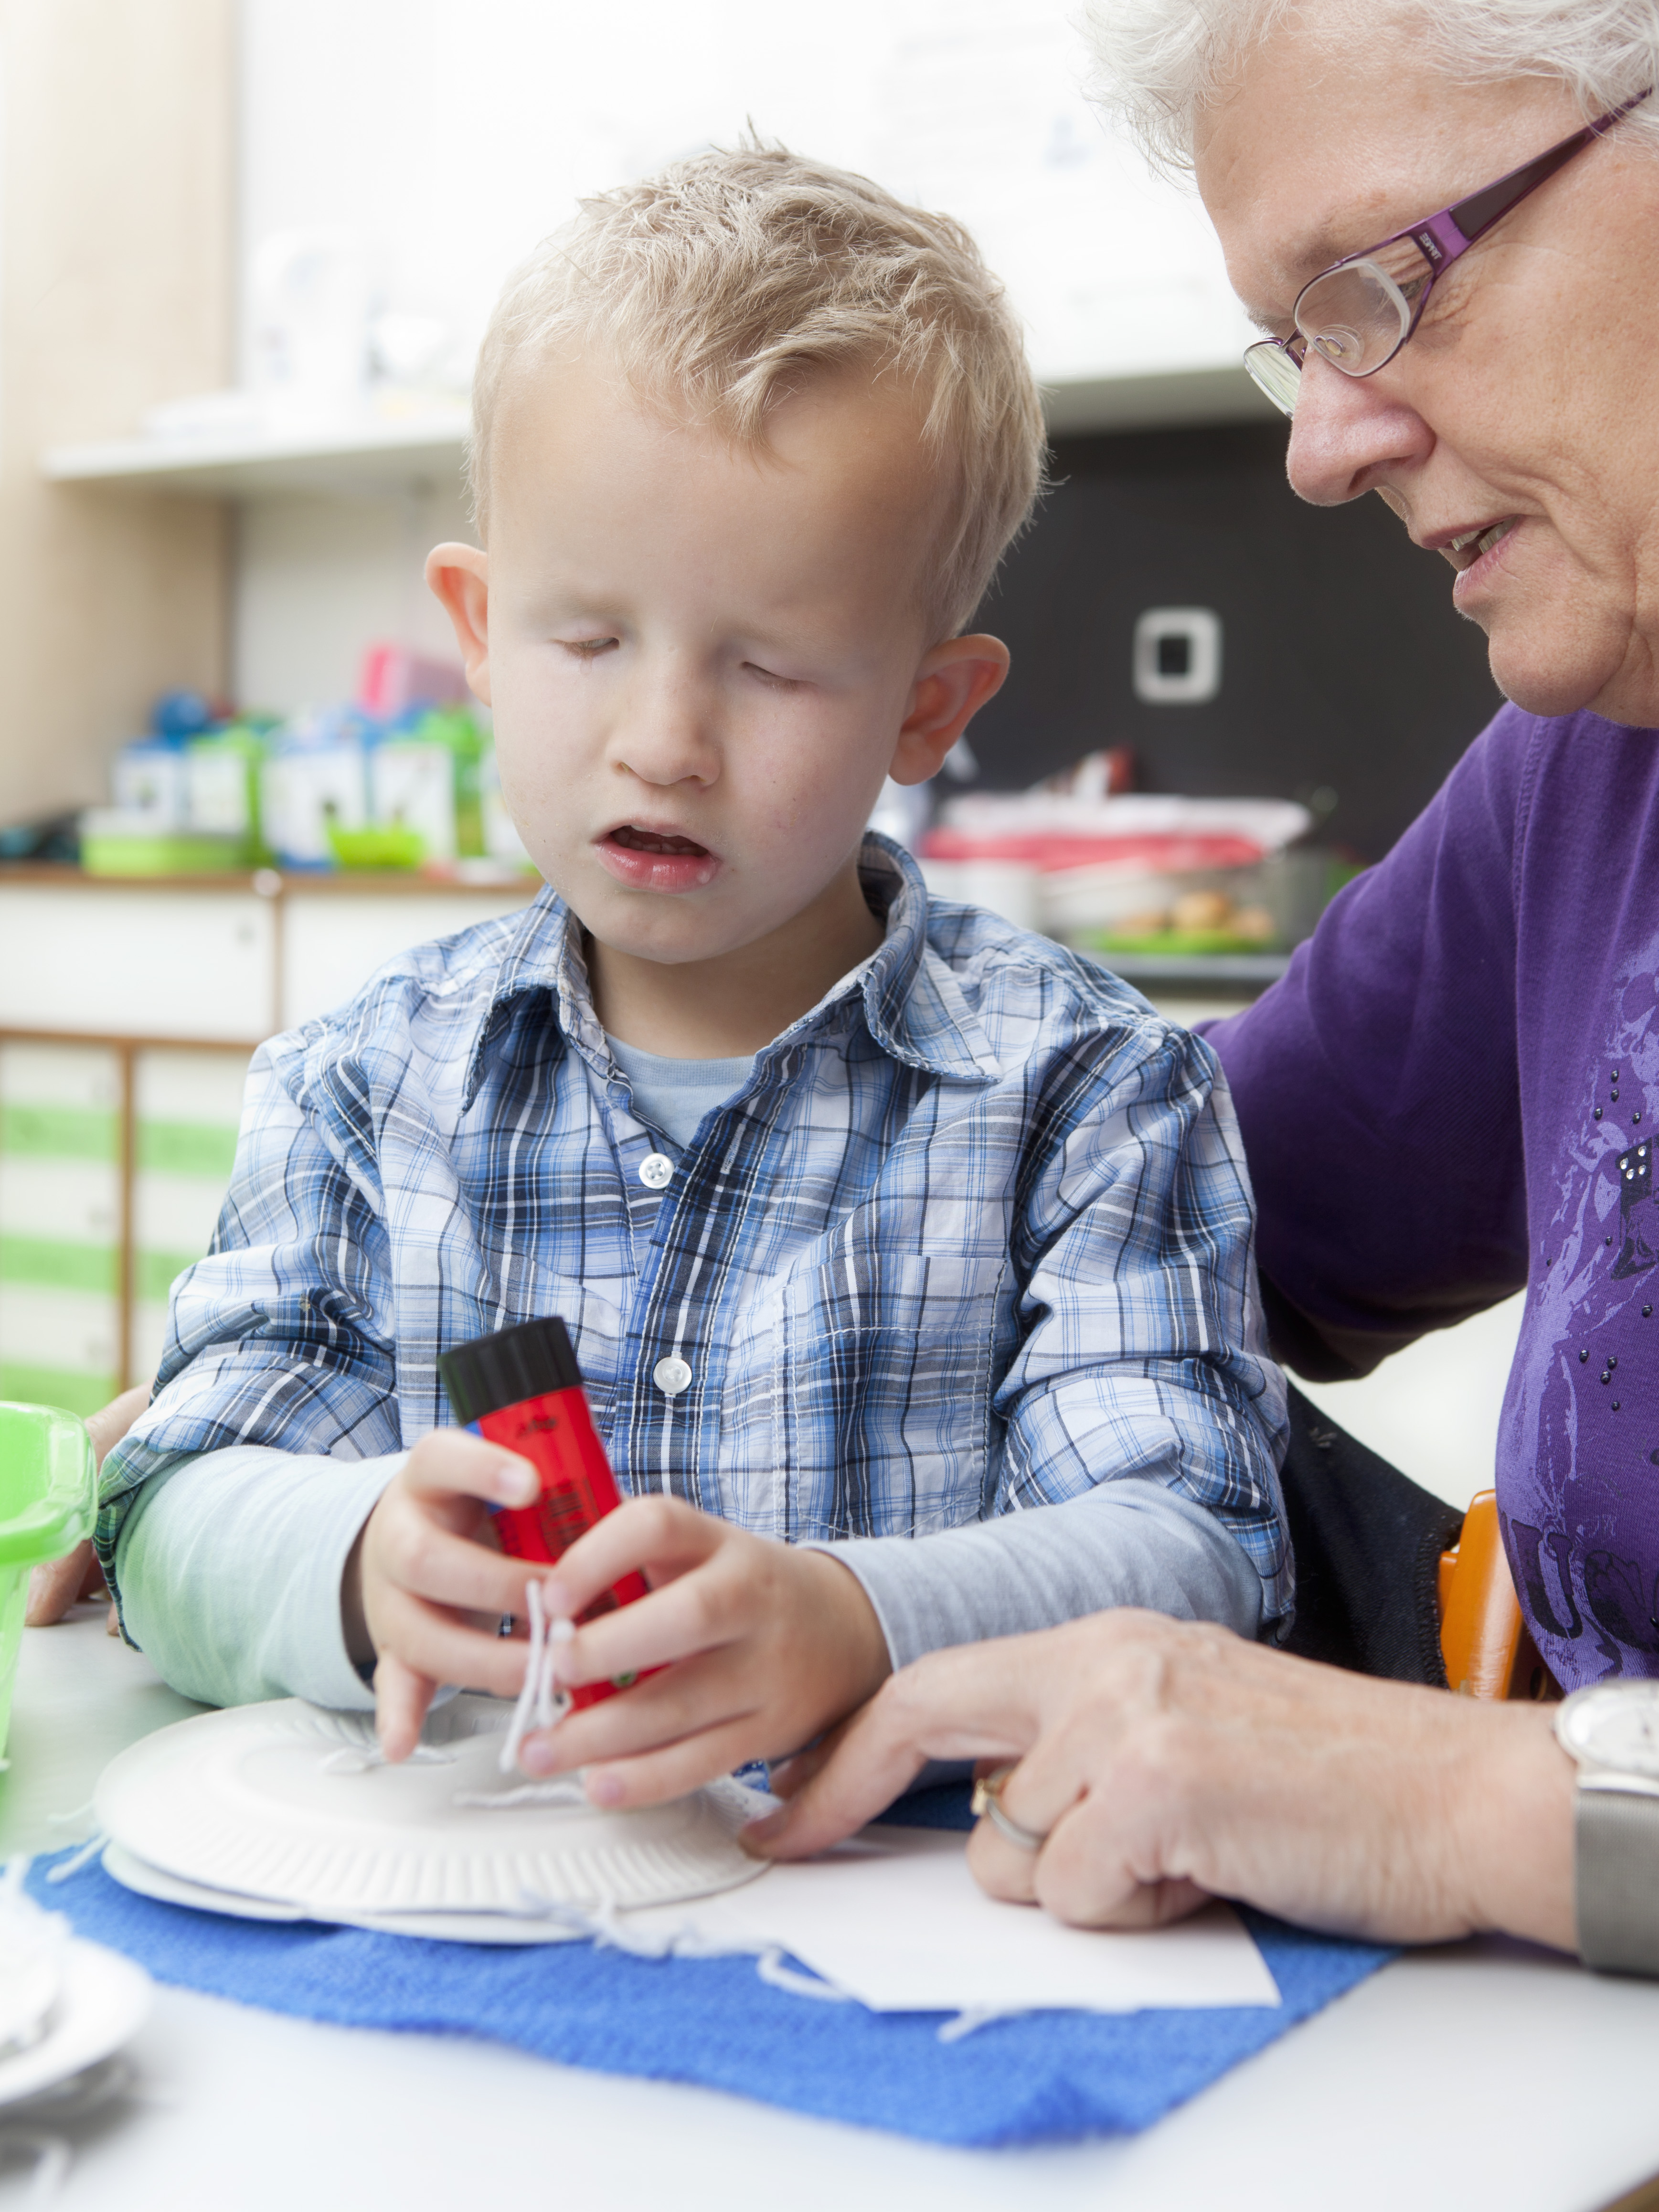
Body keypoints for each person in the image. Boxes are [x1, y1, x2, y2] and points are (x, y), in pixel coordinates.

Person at [746, 0, 1659, 2004]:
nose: (1325, 444)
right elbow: (1104, 1223)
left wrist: (1450, 1799)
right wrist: (348, 1384)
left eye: (1387, 281)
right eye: (1294, 342)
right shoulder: (1613, 774)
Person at [92, 145, 1288, 1796]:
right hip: (458, 1896)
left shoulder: (1090, 1090)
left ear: (927, 709)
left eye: (773, 668)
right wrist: (354, 1559)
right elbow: (167, 1507)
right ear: (480, 632)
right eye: (590, 641)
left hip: (896, 1912)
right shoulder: (363, 1083)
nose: (665, 742)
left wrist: (860, 1621)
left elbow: (1200, 1546)